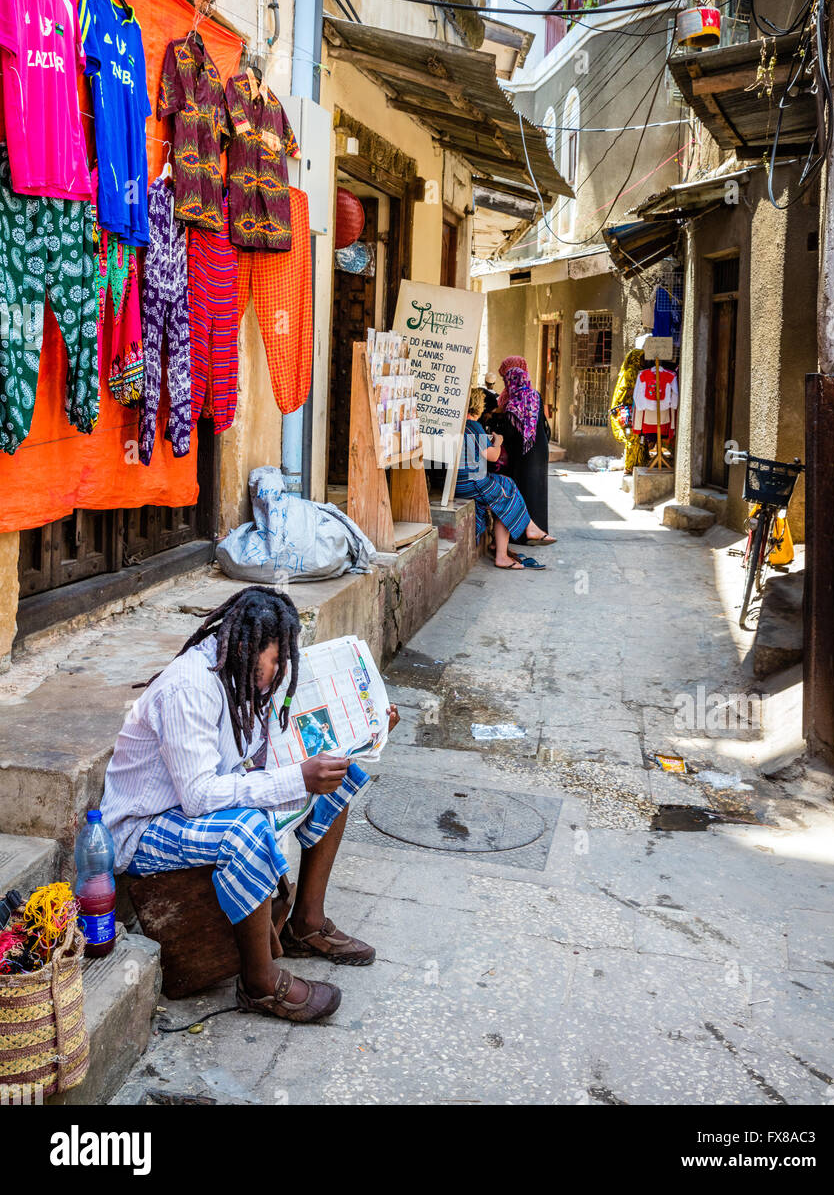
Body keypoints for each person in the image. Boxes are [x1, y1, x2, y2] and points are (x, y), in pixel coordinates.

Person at [100, 586, 399, 1024]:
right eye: (275, 660)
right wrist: (296, 778)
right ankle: (260, 983)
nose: (279, 671)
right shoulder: (190, 687)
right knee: (245, 830)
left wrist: (368, 726)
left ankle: (306, 923)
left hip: (197, 803)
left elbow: (267, 754)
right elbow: (200, 796)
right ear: (244, 647)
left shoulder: (242, 674)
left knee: (337, 775)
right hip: (143, 828)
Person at [455, 388, 555, 569]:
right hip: (471, 483)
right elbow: (492, 456)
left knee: (507, 484)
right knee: (506, 495)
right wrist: (498, 442)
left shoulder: (456, 425)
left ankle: (521, 532)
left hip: (459, 482)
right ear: (478, 407)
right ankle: (504, 553)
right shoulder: (473, 426)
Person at [489, 356, 552, 543]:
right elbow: (544, 426)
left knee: (523, 490)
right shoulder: (535, 396)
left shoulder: (513, 402)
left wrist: (497, 433)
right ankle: (539, 529)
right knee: (538, 489)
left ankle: (522, 535)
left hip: (522, 455)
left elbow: (509, 432)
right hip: (539, 450)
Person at [609, 337, 649, 474]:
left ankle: (635, 465)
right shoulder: (632, 372)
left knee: (638, 438)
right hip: (629, 410)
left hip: (630, 409)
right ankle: (631, 466)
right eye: (642, 358)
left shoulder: (629, 371)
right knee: (633, 438)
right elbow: (629, 391)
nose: (644, 361)